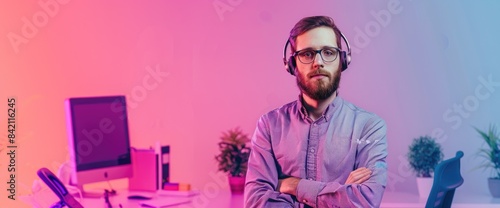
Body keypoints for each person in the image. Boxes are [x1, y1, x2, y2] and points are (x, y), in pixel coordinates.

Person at [243, 16, 388, 208]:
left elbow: (366, 200)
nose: (318, 62)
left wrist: (294, 186)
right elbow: (256, 202)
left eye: (328, 52)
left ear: (343, 60)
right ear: (292, 65)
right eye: (308, 54)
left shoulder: (369, 127)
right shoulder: (269, 126)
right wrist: (340, 192)